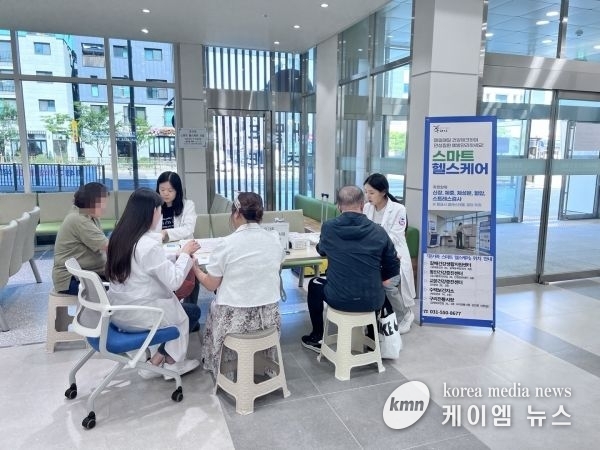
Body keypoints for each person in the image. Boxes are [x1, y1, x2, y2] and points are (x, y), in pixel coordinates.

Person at [105, 188, 201, 379]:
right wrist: (184, 255)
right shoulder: (148, 246)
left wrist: (176, 256)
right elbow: (174, 281)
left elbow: (146, 264)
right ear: (151, 212)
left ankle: (157, 361)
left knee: (180, 309)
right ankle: (171, 364)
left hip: (119, 311)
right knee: (190, 313)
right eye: (159, 210)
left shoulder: (119, 236)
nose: (160, 214)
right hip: (142, 313)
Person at [193, 192, 285, 377]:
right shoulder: (274, 240)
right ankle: (264, 365)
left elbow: (211, 285)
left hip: (234, 322)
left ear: (236, 214)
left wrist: (196, 270)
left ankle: (218, 366)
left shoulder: (227, 244)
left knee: (213, 306)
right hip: (269, 319)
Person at [301, 185, 400, 353]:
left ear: (339, 206)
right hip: (373, 299)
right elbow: (393, 265)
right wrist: (381, 279)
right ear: (362, 205)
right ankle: (371, 341)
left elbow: (322, 250)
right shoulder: (378, 231)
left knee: (314, 284)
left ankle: (317, 336)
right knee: (376, 286)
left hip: (339, 298)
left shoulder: (329, 228)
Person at [363, 173, 417, 334]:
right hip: (373, 257)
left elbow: (395, 236)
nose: (368, 196)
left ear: (383, 192)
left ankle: (406, 314)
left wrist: (372, 242)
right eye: (366, 192)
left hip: (394, 257)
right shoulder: (367, 208)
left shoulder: (399, 209)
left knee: (388, 285)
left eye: (371, 192)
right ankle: (374, 317)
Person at [53, 182, 109, 295]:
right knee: (120, 289)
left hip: (86, 274)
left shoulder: (89, 216)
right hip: (71, 280)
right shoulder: (79, 219)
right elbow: (108, 246)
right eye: (102, 203)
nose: (105, 207)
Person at [156, 170, 200, 305]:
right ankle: (169, 306)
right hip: (161, 250)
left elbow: (188, 229)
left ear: (177, 190)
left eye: (170, 190)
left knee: (191, 273)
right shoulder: (154, 206)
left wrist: (166, 233)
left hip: (183, 248)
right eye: (162, 189)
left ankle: (190, 308)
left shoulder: (188, 205)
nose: (165, 193)